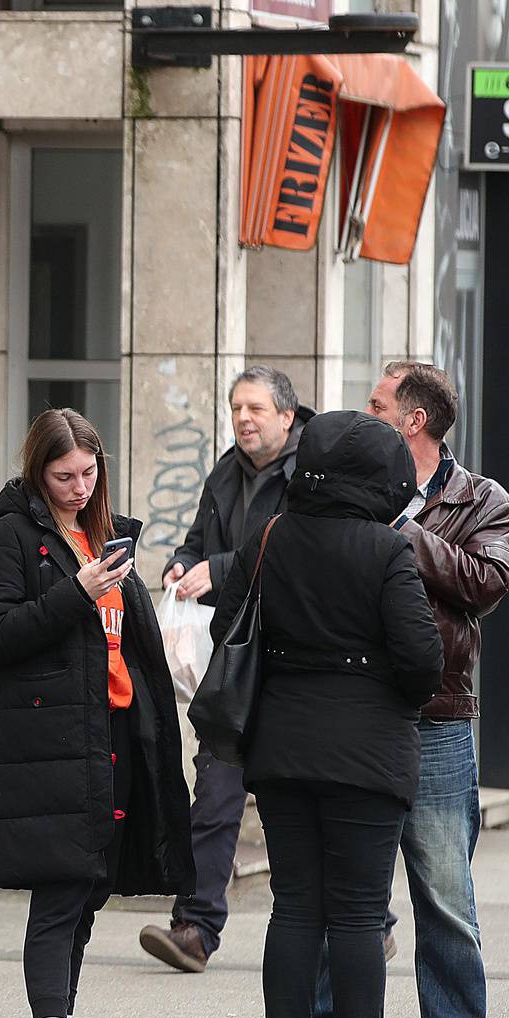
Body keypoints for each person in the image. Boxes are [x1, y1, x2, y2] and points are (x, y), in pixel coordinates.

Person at [208, 411, 445, 1018]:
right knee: (358, 916)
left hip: (281, 748)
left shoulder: (271, 536)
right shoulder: (388, 549)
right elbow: (422, 662)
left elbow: (228, 625)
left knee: (295, 911)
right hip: (368, 754)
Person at [0, 408, 194, 1018]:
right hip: (50, 742)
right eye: (63, 475)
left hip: (113, 733)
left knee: (88, 888)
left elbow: (124, 642)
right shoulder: (10, 535)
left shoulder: (104, 533)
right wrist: (77, 593)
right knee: (61, 890)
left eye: (89, 473)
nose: (77, 486)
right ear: (38, 471)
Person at [141, 366, 313, 975]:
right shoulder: (224, 471)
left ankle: (370, 924)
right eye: (237, 408)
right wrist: (183, 564)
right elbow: (195, 541)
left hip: (297, 662)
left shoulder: (313, 471)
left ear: (287, 416)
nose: (243, 418)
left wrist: (221, 568)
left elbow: (300, 548)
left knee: (312, 801)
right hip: (232, 661)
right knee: (214, 792)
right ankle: (193, 928)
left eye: (256, 409)